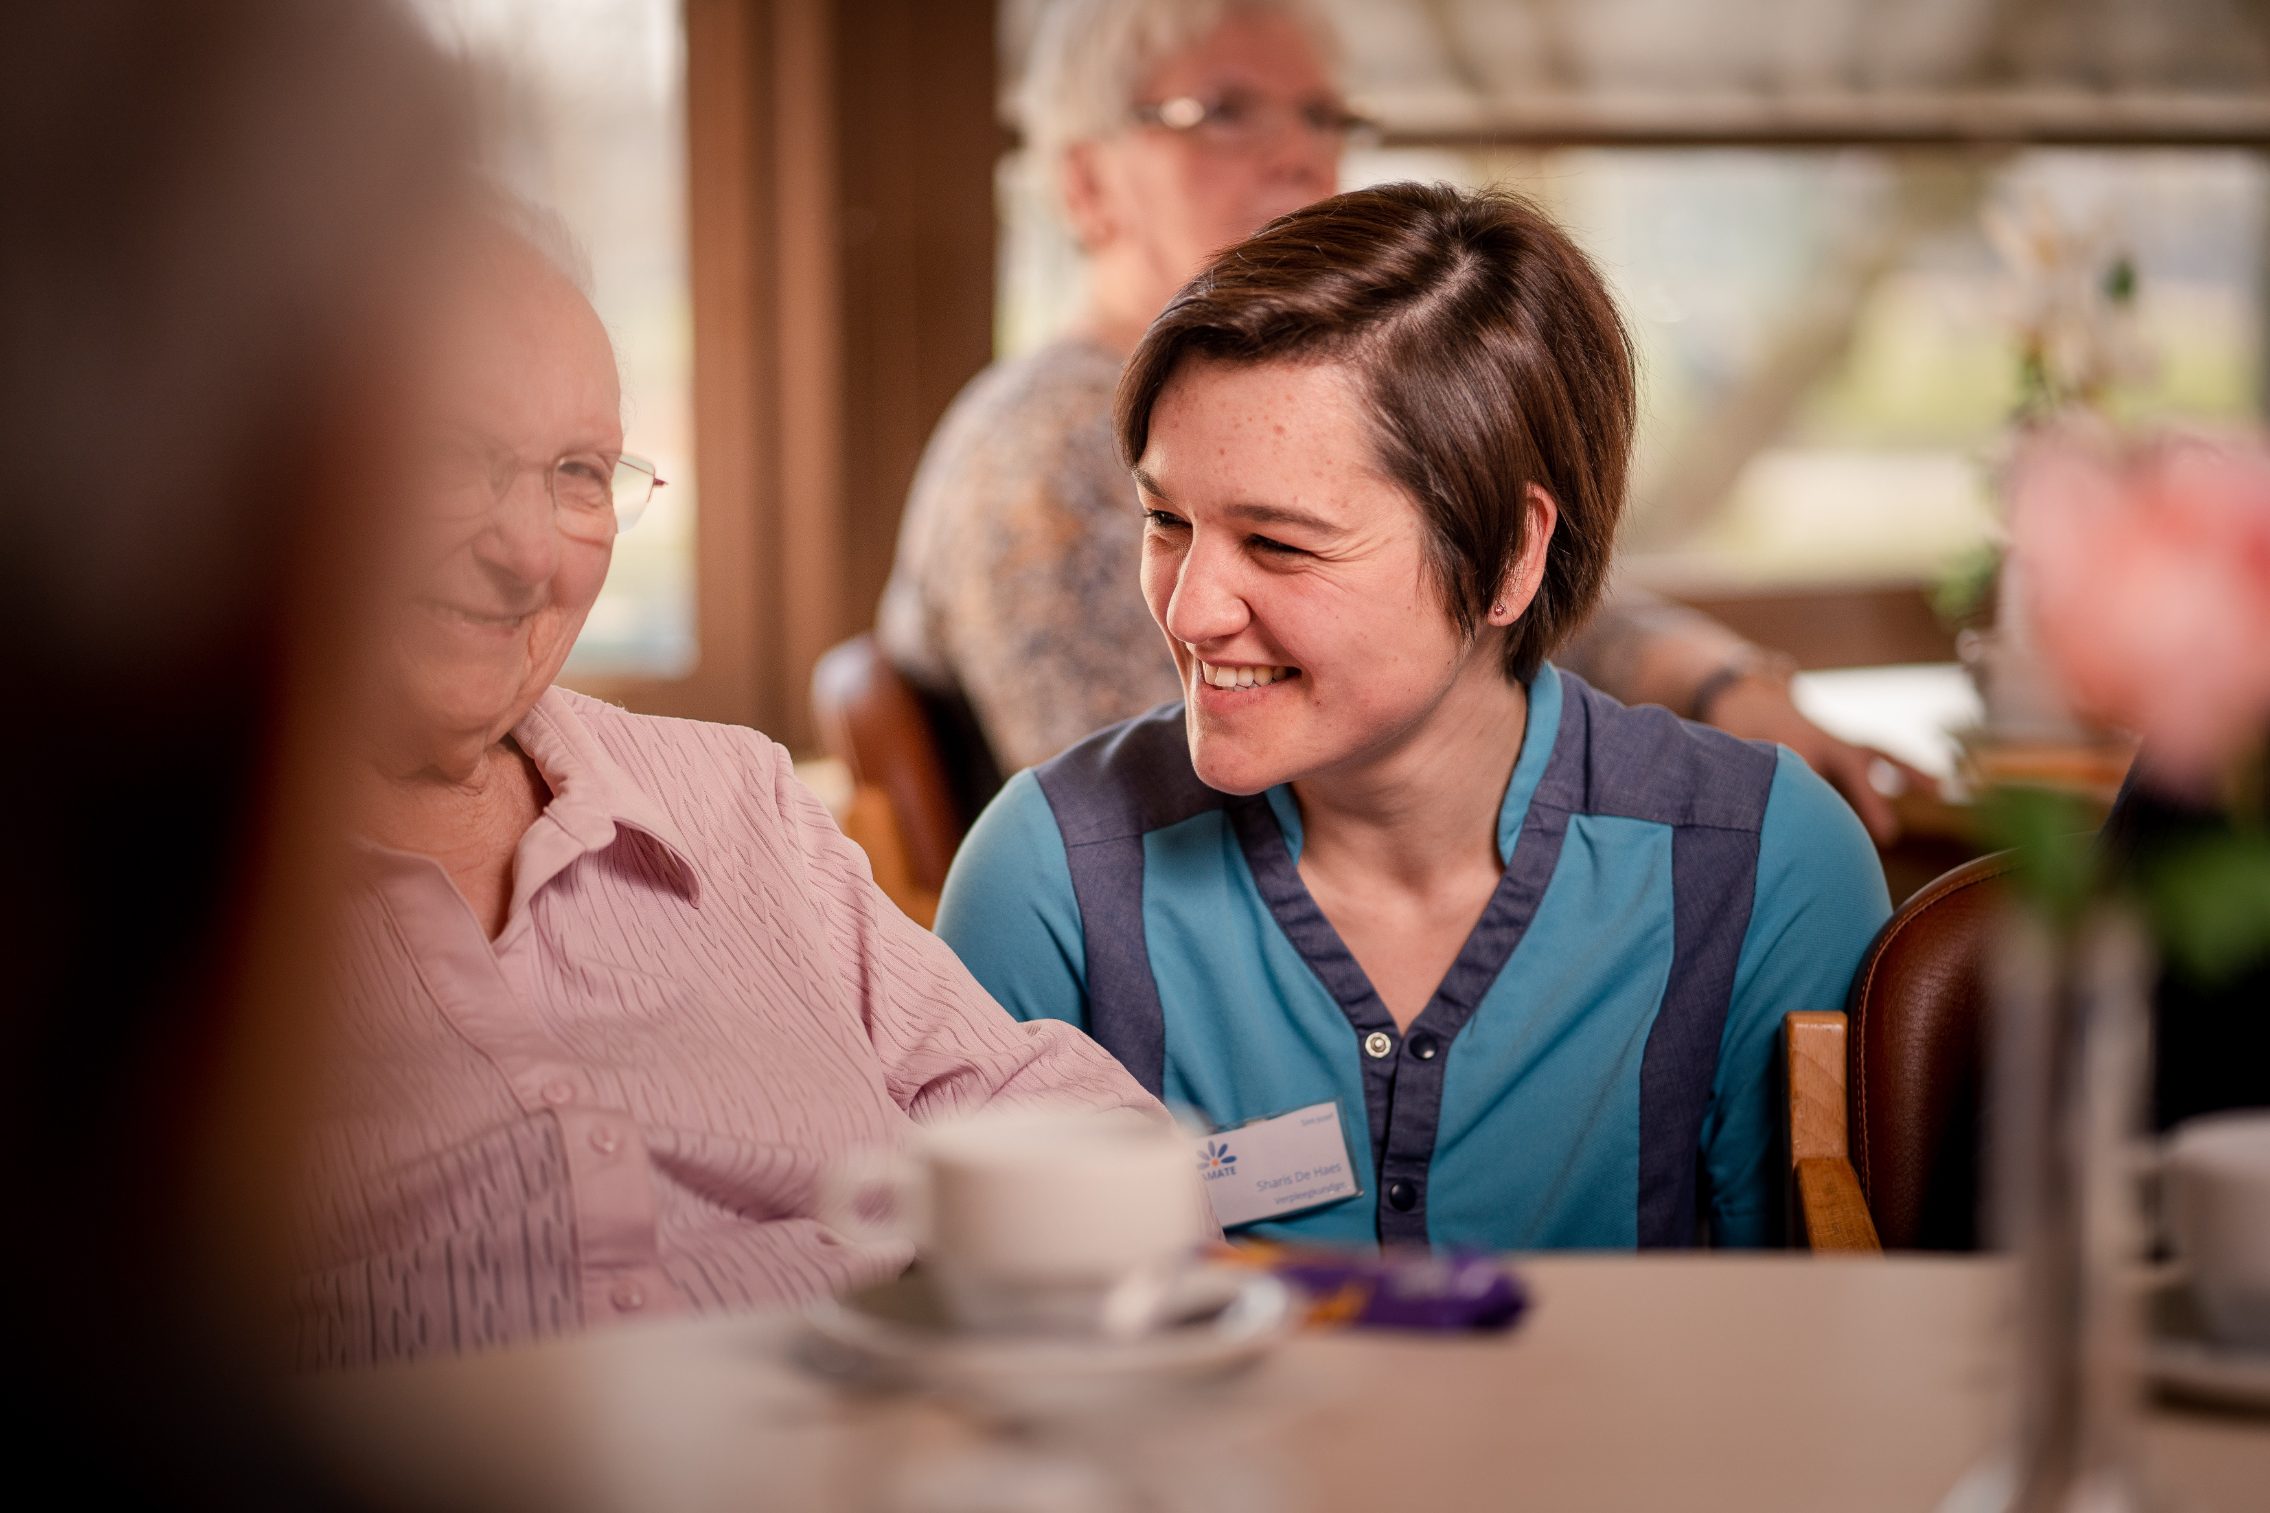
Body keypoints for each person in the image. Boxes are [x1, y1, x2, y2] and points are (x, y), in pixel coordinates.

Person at [288, 198, 1160, 1369]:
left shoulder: (729, 800)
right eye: (453, 459)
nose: (533, 552)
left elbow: (1051, 1112)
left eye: (579, 473)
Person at [936, 183, 1892, 1250]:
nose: (1189, 608)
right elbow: (969, 1360)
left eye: (1280, 544)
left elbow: (1812, 1363)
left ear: (1508, 555)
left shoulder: (1762, 871)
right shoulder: (1049, 880)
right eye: (1166, 520)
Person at [878, 0, 1923, 841]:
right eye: (1225, 113)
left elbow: (1477, 580)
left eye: (1323, 116)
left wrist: (1716, 677)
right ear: (1085, 183)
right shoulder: (1036, 451)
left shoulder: (1333, 398)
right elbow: (1148, 805)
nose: (1296, 156)